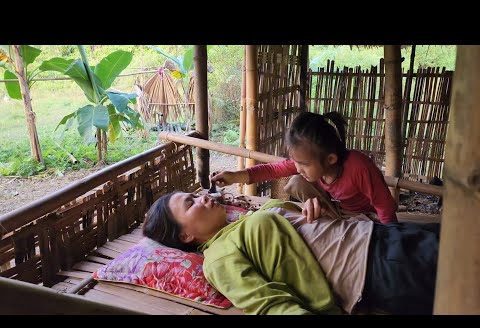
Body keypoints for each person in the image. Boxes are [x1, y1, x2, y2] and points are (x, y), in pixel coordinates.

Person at [143, 191, 440, 315]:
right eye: (191, 203)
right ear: (185, 235)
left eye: (196, 194)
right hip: (375, 267)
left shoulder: (241, 219)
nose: (204, 196)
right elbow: (268, 305)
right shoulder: (218, 258)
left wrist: (313, 208)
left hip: (377, 234)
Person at [211, 111, 398, 224]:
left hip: (367, 216)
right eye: (296, 162)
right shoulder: (312, 162)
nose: (298, 167)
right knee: (296, 182)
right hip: (337, 211)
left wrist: (392, 237)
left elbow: (385, 206)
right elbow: (272, 170)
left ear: (330, 159)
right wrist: (234, 176)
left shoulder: (359, 167)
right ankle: (332, 221)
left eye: (303, 164)